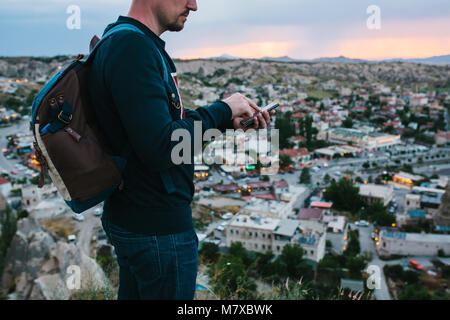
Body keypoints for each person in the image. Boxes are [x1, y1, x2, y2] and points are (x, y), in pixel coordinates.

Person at [88, 0, 275, 300]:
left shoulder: (127, 40)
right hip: (157, 231)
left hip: (141, 220)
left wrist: (227, 120)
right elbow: (163, 147)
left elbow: (161, 129)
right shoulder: (132, 47)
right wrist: (221, 109)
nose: (194, 5)